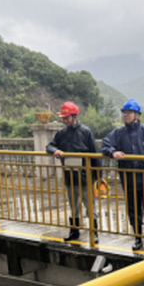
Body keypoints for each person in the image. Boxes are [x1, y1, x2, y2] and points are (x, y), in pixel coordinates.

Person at [102, 99, 144, 252]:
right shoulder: (119, 133)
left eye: (129, 112)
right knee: (134, 209)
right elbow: (105, 144)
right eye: (124, 112)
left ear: (137, 114)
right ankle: (138, 239)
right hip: (129, 178)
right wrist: (113, 152)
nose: (126, 115)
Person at [46, 101, 101, 243]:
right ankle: (74, 231)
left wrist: (99, 176)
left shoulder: (86, 132)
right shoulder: (61, 133)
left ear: (74, 117)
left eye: (67, 118)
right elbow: (49, 146)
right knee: (73, 205)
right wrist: (55, 150)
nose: (65, 120)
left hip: (85, 177)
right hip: (69, 177)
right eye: (63, 118)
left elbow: (95, 154)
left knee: (90, 205)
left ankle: (94, 232)